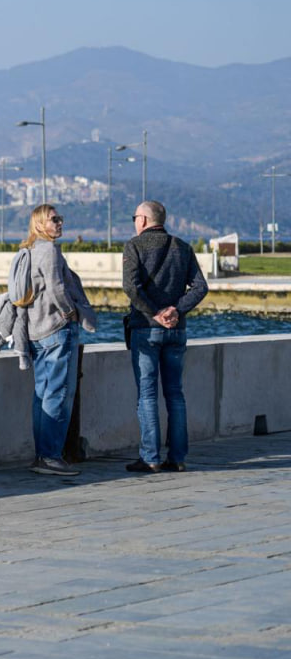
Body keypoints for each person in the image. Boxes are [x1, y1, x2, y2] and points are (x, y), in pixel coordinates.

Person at [122, 200, 209, 473]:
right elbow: (200, 287)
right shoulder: (182, 247)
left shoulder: (134, 246)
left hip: (145, 329)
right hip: (176, 330)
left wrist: (155, 312)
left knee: (147, 395)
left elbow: (131, 288)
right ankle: (177, 458)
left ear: (143, 220)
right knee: (175, 394)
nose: (135, 222)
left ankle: (150, 457)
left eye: (135, 217)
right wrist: (176, 310)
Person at [21, 204, 96, 477]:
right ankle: (51, 456)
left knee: (42, 394)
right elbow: (56, 287)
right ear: (40, 224)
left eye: (60, 218)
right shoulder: (49, 250)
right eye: (54, 219)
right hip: (56, 329)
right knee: (59, 393)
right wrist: (70, 312)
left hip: (37, 331)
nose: (60, 223)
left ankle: (42, 455)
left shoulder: (29, 251)